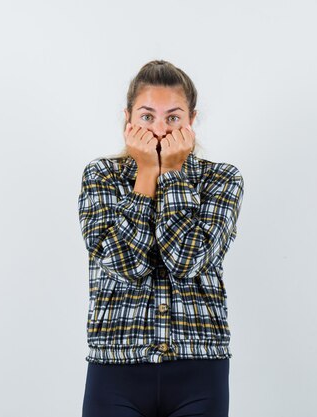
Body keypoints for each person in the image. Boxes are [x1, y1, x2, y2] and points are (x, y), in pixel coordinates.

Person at [78, 60, 245, 417]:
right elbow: (126, 266)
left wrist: (171, 172)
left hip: (199, 367)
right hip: (115, 366)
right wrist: (145, 175)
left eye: (172, 117)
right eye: (147, 116)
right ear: (128, 118)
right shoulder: (101, 177)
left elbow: (187, 261)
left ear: (191, 119)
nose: (159, 130)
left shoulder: (221, 180)